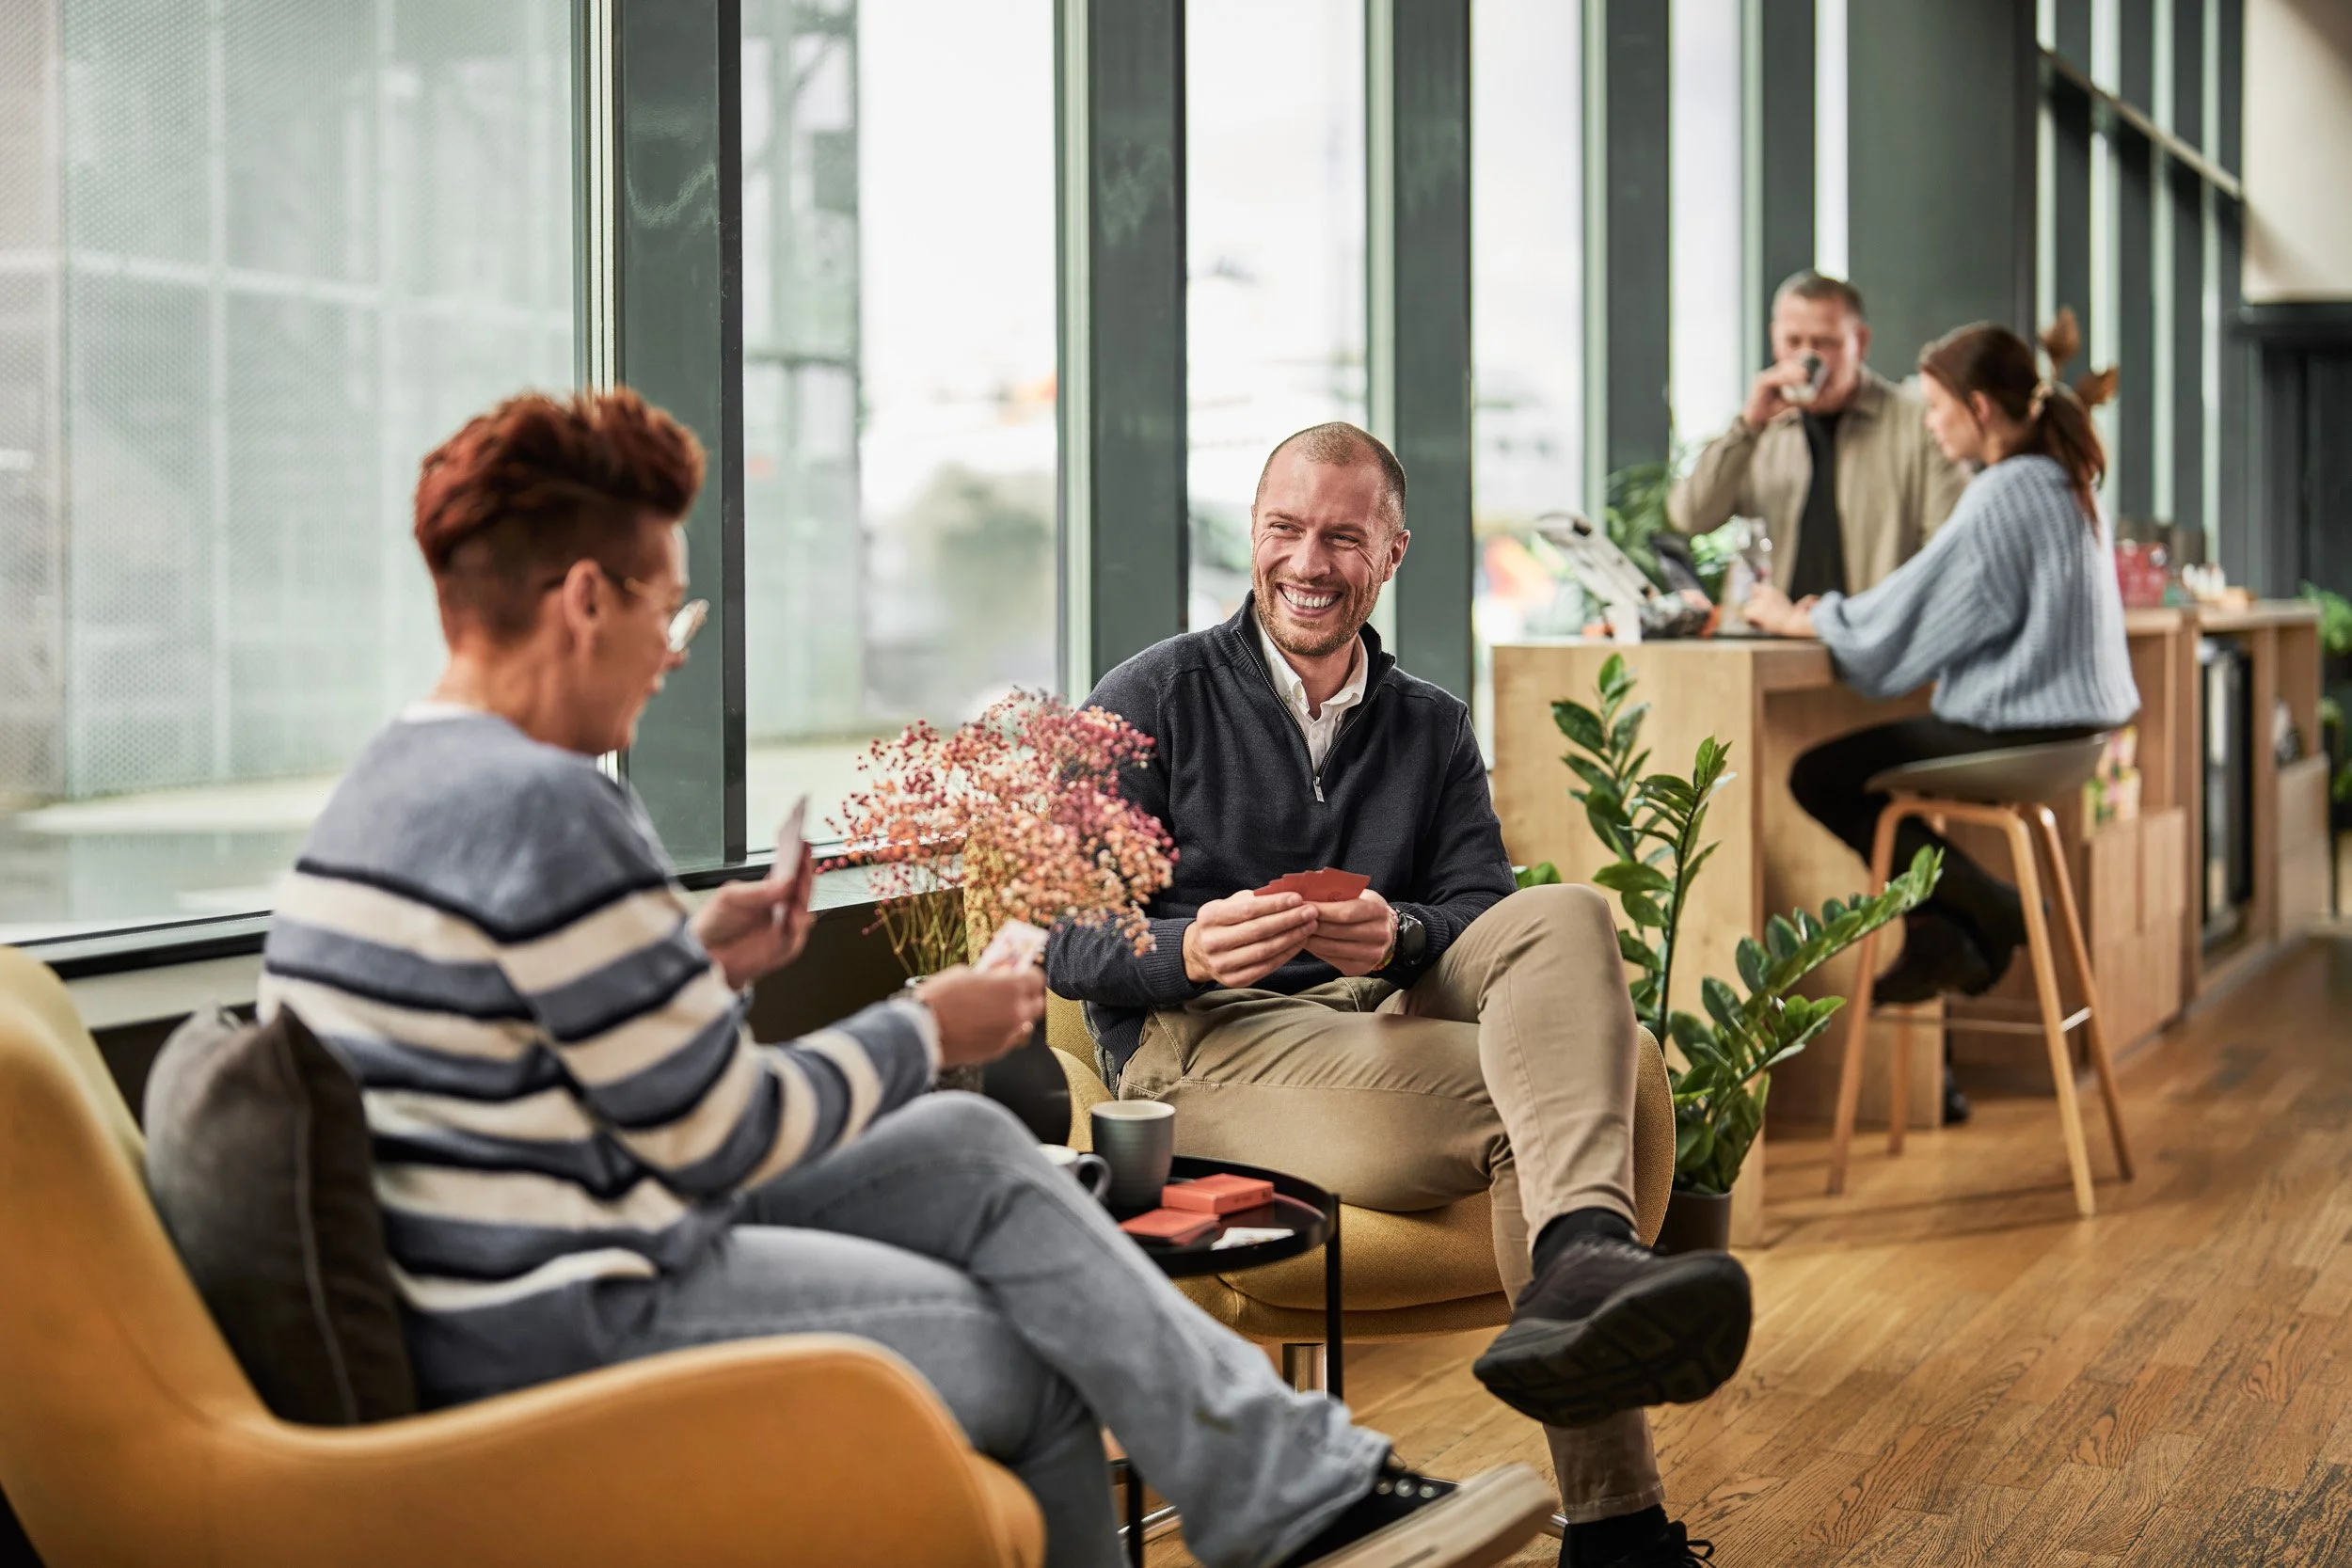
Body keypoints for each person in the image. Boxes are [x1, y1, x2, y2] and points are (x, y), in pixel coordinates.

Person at [256, 388, 1557, 1568]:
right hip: (563, 1297)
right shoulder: (550, 807)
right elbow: (715, 1133)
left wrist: (693, 960)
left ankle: (1293, 1487)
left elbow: (533, 1059)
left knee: (963, 1146)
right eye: (669, 612)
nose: (673, 652)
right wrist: (924, 1025)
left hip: (544, 1229)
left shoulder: (400, 780)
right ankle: (1298, 1491)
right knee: (1024, 1352)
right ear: (588, 600)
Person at [1047, 421, 1752, 1568]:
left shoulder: (1428, 722)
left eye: (1342, 536)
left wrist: (1403, 931)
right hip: (1205, 1043)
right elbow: (1061, 940)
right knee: (1574, 1098)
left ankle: (1581, 1252)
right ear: (1254, 532)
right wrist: (1191, 946)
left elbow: (1482, 909)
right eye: (1284, 529)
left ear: (1393, 551)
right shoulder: (1151, 696)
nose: (1307, 562)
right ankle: (1618, 1525)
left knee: (1565, 911)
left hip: (1378, 1019)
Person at [1740, 312, 2136, 1006]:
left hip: (2019, 730)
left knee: (1819, 776)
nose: (1928, 425)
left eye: (1934, 407)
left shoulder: (2004, 492)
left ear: (1977, 408)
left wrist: (1801, 617)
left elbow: (1903, 616)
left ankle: (1996, 908)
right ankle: (1940, 936)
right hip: (2074, 736)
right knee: (1856, 771)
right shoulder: (2062, 478)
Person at [1668, 270, 1969, 598]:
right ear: (1774, 339)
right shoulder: (1759, 429)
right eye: (1793, 342)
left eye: (1825, 343)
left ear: (1861, 342)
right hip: (1767, 627)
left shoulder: (1922, 425)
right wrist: (1748, 427)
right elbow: (1690, 517)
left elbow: (1951, 553)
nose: (1807, 358)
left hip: (1870, 628)